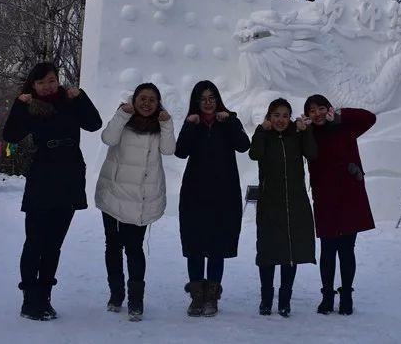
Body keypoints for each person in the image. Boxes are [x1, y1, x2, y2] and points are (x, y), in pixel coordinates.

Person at [3, 62, 102, 321]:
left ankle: (45, 296)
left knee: (54, 244)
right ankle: (29, 298)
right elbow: (11, 135)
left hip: (69, 174)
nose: (48, 86)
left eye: (52, 80)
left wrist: (82, 97)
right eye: (42, 82)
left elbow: (94, 123)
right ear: (33, 85)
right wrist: (18, 104)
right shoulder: (31, 106)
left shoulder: (70, 101)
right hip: (43, 174)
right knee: (35, 240)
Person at [94, 83, 174, 321]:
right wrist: (122, 114)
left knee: (135, 249)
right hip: (114, 193)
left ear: (158, 103)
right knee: (113, 246)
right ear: (134, 99)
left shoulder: (159, 126)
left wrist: (167, 123)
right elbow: (107, 138)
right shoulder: (124, 119)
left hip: (141, 198)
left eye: (152, 99)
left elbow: (169, 150)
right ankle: (116, 294)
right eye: (142, 98)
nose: (147, 103)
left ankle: (136, 300)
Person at [175, 80, 250, 317]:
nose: (207, 103)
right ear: (196, 103)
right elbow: (180, 151)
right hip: (194, 194)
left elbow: (243, 145)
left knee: (218, 246)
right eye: (202, 99)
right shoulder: (193, 124)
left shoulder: (228, 121)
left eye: (211, 98)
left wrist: (229, 122)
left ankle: (212, 296)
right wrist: (189, 126)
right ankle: (197, 295)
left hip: (223, 194)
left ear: (217, 99)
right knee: (195, 245)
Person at [303, 94, 376, 316]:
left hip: (349, 196)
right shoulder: (309, 135)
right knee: (327, 250)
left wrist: (342, 115)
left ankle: (346, 295)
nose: (317, 114)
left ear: (329, 109)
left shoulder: (344, 128)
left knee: (347, 250)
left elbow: (369, 118)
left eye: (321, 108)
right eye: (312, 111)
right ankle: (327, 295)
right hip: (325, 199)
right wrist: (300, 127)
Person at [248, 98, 317, 317]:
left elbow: (313, 154)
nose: (281, 119)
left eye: (285, 115)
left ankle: (285, 299)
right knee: (268, 252)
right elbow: (254, 154)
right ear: (269, 117)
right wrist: (260, 130)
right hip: (270, 203)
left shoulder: (296, 137)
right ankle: (266, 299)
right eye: (276, 115)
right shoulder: (264, 136)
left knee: (291, 252)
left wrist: (305, 132)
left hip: (295, 202)